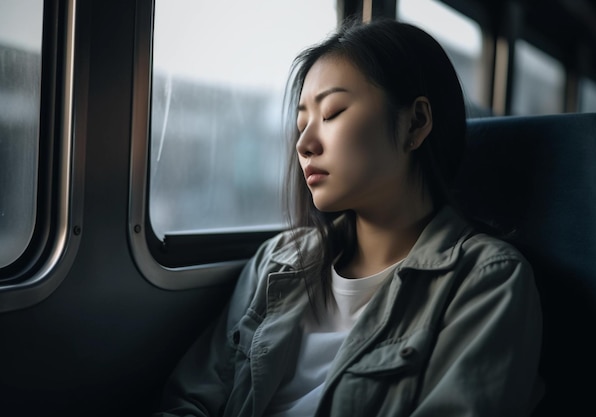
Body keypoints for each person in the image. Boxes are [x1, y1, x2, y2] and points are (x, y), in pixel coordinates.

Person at [153, 18, 543, 417]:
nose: (304, 144)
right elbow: (192, 400)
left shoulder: (487, 282)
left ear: (416, 122)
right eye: (301, 122)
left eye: (333, 112)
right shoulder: (277, 262)